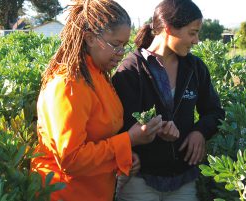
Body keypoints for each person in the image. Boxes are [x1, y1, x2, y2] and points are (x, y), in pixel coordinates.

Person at [30, 0, 162, 200]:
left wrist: (122, 155)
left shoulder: (97, 75)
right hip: (66, 194)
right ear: (90, 38)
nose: (121, 53)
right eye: (116, 45)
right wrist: (128, 140)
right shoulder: (69, 83)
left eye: (124, 46)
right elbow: (71, 159)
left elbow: (100, 137)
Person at [112, 0, 225, 200]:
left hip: (183, 178)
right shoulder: (130, 70)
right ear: (168, 28)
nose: (196, 40)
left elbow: (215, 112)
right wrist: (153, 131)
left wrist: (200, 132)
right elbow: (117, 126)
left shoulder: (196, 68)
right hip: (139, 178)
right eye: (192, 32)